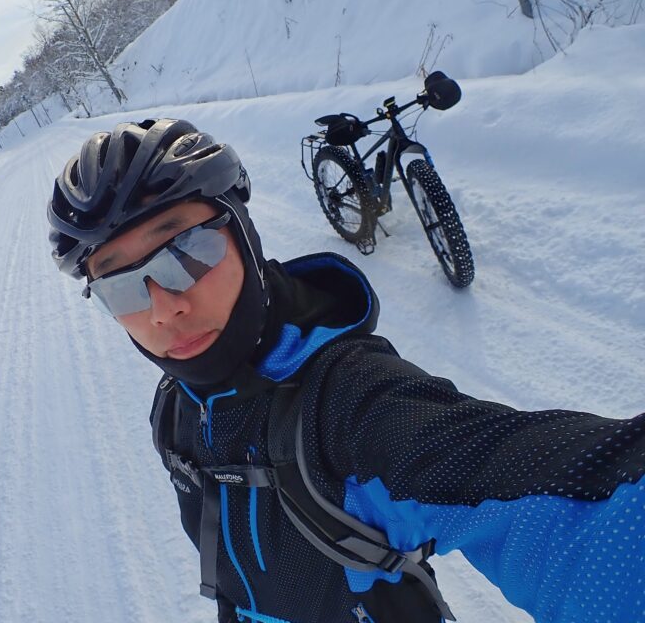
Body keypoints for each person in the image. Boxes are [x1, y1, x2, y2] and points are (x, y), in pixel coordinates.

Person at [46, 118, 644, 623]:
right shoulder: (175, 408)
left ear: (244, 235)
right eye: (120, 286)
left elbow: (578, 505)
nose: (163, 308)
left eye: (186, 249)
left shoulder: (348, 403)